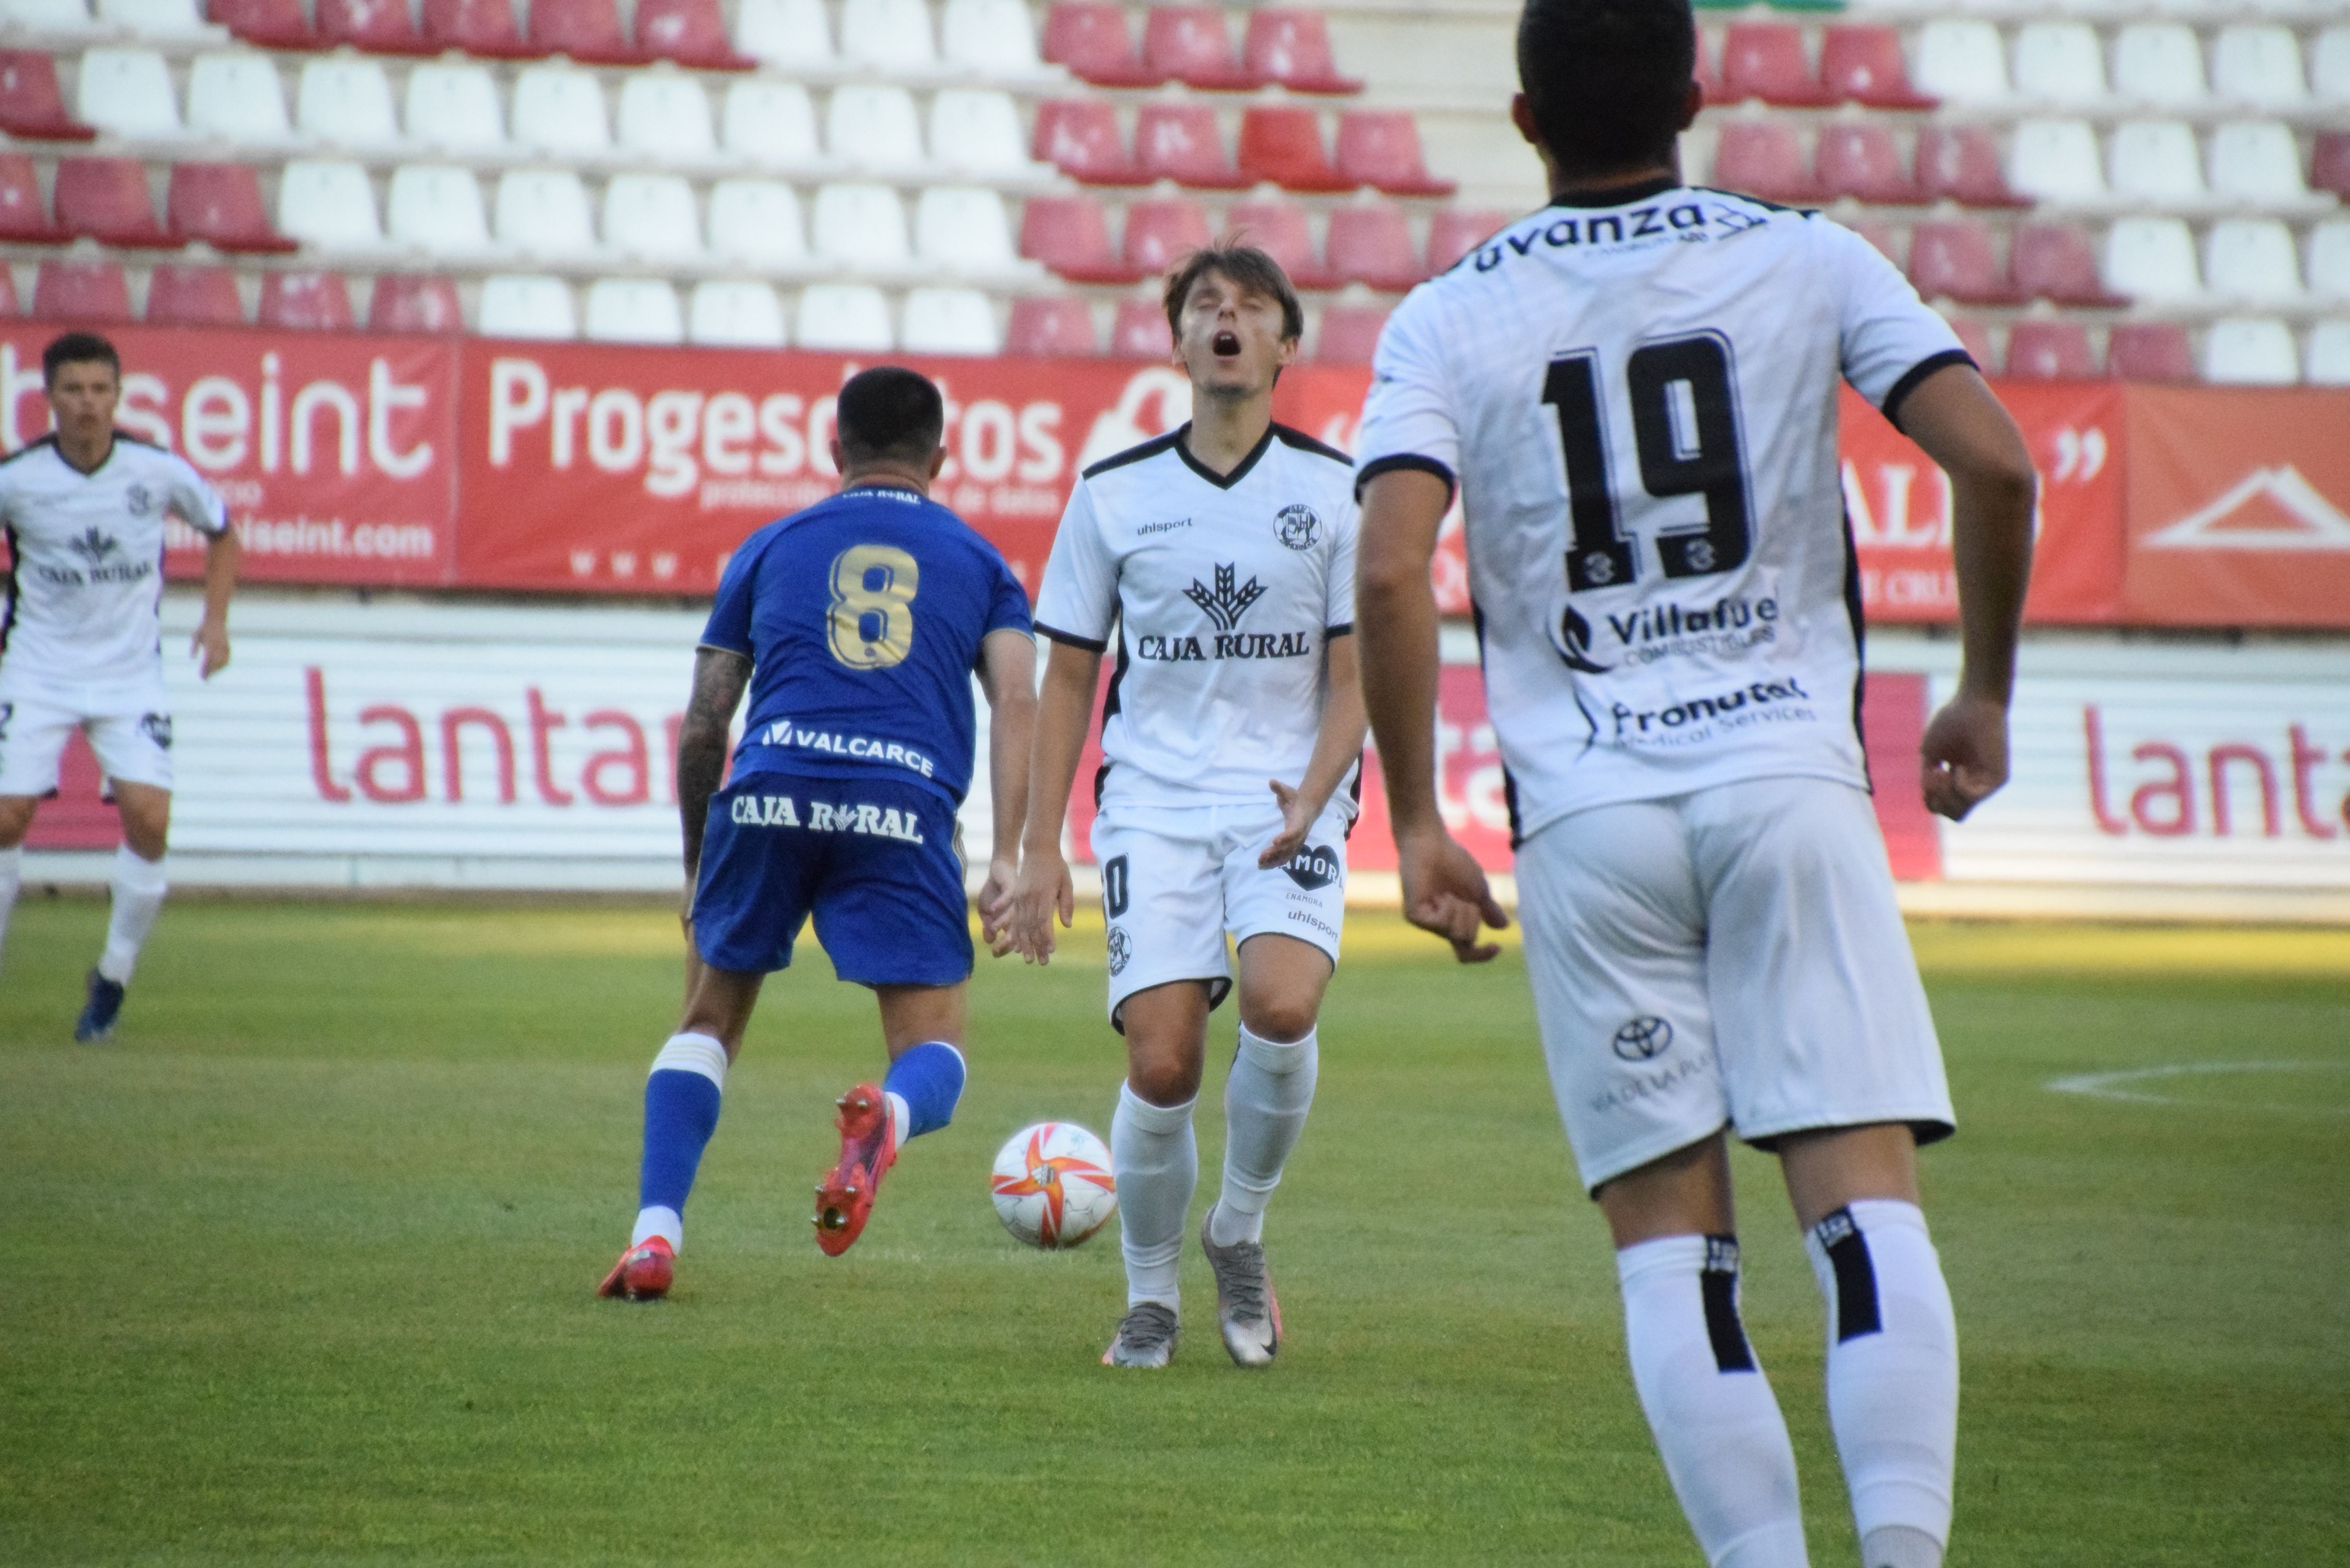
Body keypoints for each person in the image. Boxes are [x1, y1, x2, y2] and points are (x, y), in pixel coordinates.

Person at [1350, 1, 2036, 1563]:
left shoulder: (1447, 314)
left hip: (1588, 823)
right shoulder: (1811, 255)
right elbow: (1995, 461)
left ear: (1523, 119)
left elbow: (1391, 569)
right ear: (1698, 96)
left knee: (1675, 1257)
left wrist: (1414, 819)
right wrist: (1983, 691)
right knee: (1862, 1222)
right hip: (1787, 785)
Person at [598, 366, 1038, 1301]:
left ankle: (653, 1236)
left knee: (707, 1024)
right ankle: (890, 1117)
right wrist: (1010, 854)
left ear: (833, 450)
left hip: (769, 792)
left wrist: (696, 867)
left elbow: (705, 720)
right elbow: (1018, 699)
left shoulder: (770, 544)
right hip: (900, 803)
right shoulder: (984, 564)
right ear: (942, 459)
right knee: (936, 1056)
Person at [1008, 243, 1366, 1370]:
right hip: (1153, 803)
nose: (1227, 319)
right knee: (1163, 1064)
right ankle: (1151, 1296)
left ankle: (1239, 1232)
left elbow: (1362, 674)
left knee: (1282, 1004)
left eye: (1251, 307)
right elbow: (1067, 675)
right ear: (1176, 342)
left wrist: (1319, 788)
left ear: (1284, 343)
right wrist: (1037, 847)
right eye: (1205, 305)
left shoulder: (1336, 491)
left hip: (1288, 794)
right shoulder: (1114, 495)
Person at [0, 332, 239, 1041]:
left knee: (151, 819)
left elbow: (223, 531)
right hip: (38, 668)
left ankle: (112, 977)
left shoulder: (155, 471)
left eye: (100, 390)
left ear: (118, 394)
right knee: (7, 817)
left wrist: (216, 622)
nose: (88, 404)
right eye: (73, 390)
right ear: (50, 398)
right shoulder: (19, 479)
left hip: (130, 673)